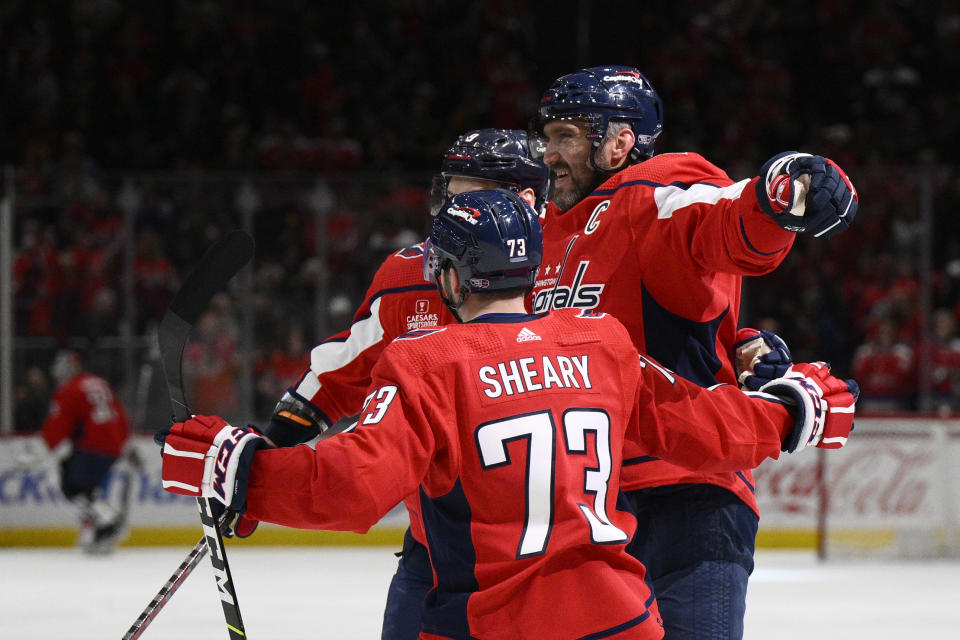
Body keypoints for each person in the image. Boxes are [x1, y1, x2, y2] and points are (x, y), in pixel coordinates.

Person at [157, 189, 858, 640]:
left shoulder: (427, 363)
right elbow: (701, 427)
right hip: (620, 622)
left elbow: (350, 486)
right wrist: (791, 411)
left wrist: (243, 472)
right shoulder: (603, 344)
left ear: (455, 276)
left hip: (495, 627)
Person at [526, 66, 859, 639]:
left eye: (565, 137)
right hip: (582, 500)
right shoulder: (542, 229)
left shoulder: (651, 192)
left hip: (686, 491)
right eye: (548, 137)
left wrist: (777, 196)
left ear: (618, 142)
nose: (549, 152)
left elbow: (721, 218)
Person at [257, 128, 551, 639]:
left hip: (558, 555)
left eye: (466, 197)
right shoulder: (411, 272)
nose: (447, 215)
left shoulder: (581, 261)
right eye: (448, 196)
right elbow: (345, 366)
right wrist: (271, 445)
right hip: (434, 546)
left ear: (522, 199)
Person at [39, 349, 132, 553]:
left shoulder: (69, 389)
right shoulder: (98, 382)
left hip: (92, 445)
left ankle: (109, 521)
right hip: (112, 444)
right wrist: (125, 441)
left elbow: (58, 424)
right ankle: (97, 527)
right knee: (86, 489)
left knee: (73, 488)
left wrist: (47, 444)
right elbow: (120, 414)